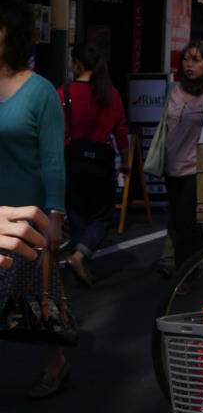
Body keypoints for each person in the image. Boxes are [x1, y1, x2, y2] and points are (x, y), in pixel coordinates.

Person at [0, 0, 68, 398]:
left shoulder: (41, 92)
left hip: (27, 217)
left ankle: (56, 362)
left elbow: (53, 159)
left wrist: (55, 214)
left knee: (40, 301)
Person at [58, 42, 128, 286]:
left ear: (77, 63)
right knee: (101, 217)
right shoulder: (110, 94)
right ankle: (80, 257)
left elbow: (55, 129)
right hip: (101, 164)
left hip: (71, 161)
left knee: (76, 215)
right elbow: (121, 130)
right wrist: (125, 160)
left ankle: (79, 262)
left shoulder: (64, 93)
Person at [159, 40, 203, 272]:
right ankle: (193, 262)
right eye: (187, 59)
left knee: (185, 223)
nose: (189, 64)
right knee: (178, 220)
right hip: (171, 167)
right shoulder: (171, 91)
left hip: (196, 170)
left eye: (196, 60)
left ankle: (184, 273)